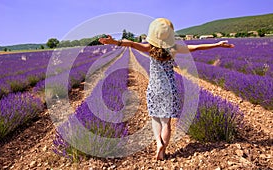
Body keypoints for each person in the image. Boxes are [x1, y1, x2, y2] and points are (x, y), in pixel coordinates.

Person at [99, 18, 234, 160]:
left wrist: (114, 42)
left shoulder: (149, 48)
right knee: (166, 123)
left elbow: (131, 44)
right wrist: (217, 44)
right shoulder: (173, 49)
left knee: (155, 119)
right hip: (170, 88)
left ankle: (158, 143)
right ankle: (163, 150)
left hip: (154, 88)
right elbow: (196, 47)